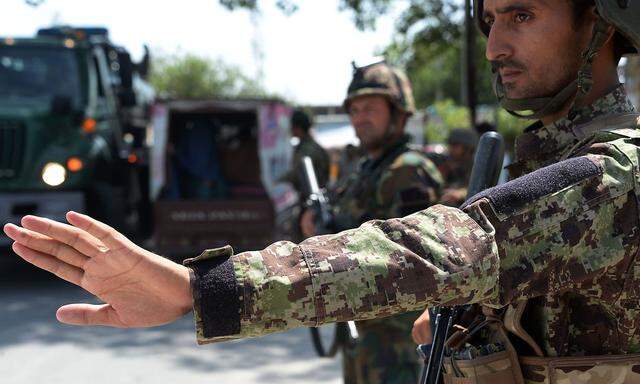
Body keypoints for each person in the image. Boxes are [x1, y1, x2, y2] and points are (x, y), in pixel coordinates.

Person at [4, 1, 640, 382]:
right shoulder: (543, 160)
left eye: (522, 14)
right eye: (491, 19)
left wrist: (204, 289)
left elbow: (457, 243)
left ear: (602, 23)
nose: (496, 44)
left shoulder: (617, 169)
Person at [300, 61, 443, 384]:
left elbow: (411, 261)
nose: (359, 118)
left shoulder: (407, 171)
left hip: (396, 339)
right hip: (364, 331)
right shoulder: (367, 169)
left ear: (398, 112)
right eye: (354, 110)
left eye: (370, 108)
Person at [279, 108, 330, 200]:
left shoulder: (308, 149)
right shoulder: (308, 146)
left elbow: (297, 174)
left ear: (298, 128)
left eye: (292, 127)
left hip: (313, 201)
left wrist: (277, 181)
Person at [438, 128, 479, 206]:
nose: (450, 148)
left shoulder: (476, 168)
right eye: (450, 144)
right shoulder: (446, 163)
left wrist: (460, 194)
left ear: (467, 148)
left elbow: (481, 190)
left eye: (454, 145)